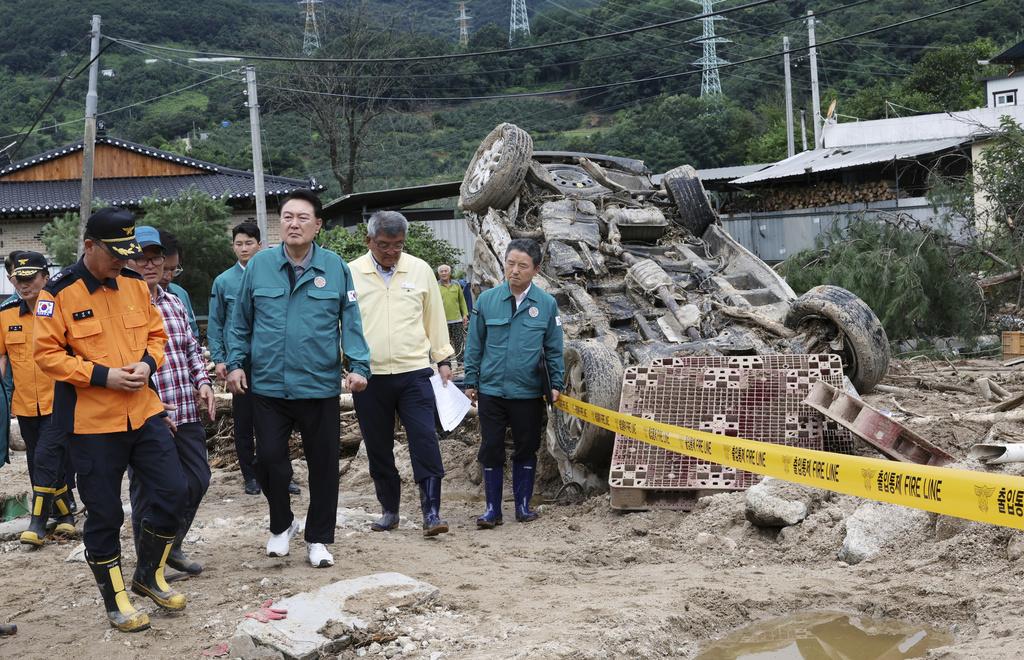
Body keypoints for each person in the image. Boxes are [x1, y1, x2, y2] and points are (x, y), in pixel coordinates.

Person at [33, 207, 187, 633]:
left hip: (144, 411)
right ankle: (115, 597)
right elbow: (46, 355)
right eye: (115, 253)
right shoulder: (57, 294)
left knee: (175, 492)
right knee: (104, 514)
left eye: (127, 253)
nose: (124, 261)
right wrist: (103, 376)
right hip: (91, 423)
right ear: (89, 246)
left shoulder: (135, 284)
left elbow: (156, 335)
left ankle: (148, 574)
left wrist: (147, 365)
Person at [226, 190, 370, 568]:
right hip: (268, 385)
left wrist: (359, 366)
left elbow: (351, 321)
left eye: (302, 217)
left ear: (317, 225)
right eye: (287, 217)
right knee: (269, 459)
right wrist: (235, 363)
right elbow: (240, 321)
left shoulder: (335, 267)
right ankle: (282, 523)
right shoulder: (260, 265)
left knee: (323, 466)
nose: (293, 224)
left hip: (318, 385)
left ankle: (318, 539)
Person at [350, 211, 455, 537]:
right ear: (369, 241)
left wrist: (442, 358)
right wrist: (346, 364)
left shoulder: (420, 269)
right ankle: (390, 511)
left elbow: (434, 317)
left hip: (414, 373)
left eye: (398, 245)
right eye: (384, 245)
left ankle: (432, 512)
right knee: (378, 446)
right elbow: (343, 322)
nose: (391, 252)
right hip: (369, 376)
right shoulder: (351, 272)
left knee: (425, 439)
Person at [127, 228, 216, 576]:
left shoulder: (174, 301)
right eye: (141, 258)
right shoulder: (121, 307)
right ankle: (149, 563)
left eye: (156, 258)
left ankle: (171, 544)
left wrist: (203, 382)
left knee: (198, 478)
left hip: (185, 407)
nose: (149, 265)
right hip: (147, 413)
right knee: (148, 490)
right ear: (128, 261)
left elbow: (191, 348)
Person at [463, 238, 564, 527]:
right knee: (491, 447)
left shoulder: (546, 304)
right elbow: (475, 343)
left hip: (528, 392)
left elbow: (554, 349)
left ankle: (522, 506)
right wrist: (470, 379)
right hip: (492, 390)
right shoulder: (487, 301)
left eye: (522, 266)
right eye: (510, 264)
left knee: (526, 447)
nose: (515, 271)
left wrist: (556, 384)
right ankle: (492, 510)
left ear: (536, 270)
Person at [209, 222, 301, 496]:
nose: (244, 248)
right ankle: (250, 475)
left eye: (249, 243)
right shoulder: (224, 281)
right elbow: (216, 323)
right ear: (232, 247)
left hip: (271, 359)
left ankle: (281, 474)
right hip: (241, 362)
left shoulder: (274, 274)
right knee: (244, 419)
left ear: (260, 245)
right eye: (239, 243)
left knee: (278, 419)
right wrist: (221, 358)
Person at [0, 252, 77, 546]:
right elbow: (2, 357)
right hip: (25, 405)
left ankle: (38, 523)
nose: (24, 284)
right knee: (38, 461)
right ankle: (65, 513)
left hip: (59, 400)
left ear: (45, 277)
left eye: (31, 278)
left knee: (45, 456)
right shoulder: (6, 315)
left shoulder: (61, 310)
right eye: (19, 279)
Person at [158, 237, 200, 340]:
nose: (168, 277)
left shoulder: (181, 294)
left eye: (173, 269)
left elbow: (193, 333)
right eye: (163, 269)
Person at [437, 264, 469, 359]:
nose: (444, 273)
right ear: (439, 274)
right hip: (442, 321)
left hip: (457, 319)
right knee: (445, 345)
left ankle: (460, 363)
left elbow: (462, 300)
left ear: (450, 273)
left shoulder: (456, 284)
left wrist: (465, 314)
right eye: (441, 271)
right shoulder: (436, 286)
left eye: (446, 271)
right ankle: (446, 364)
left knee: (459, 342)